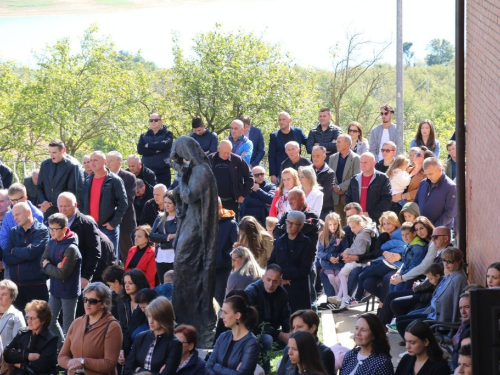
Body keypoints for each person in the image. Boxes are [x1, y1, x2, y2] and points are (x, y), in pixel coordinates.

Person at [394, 248, 468, 338]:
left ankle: (415, 344)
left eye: (450, 261)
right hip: (432, 314)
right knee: (400, 320)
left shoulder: (458, 278)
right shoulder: (450, 274)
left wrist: (452, 330)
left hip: (439, 322)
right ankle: (413, 343)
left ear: (458, 262)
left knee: (401, 324)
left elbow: (457, 304)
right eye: (444, 260)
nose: (446, 264)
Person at [58, 282, 123, 375]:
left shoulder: (113, 326)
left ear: (103, 304)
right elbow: (62, 356)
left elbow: (109, 364)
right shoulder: (76, 323)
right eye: (85, 299)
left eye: (92, 301)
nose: (87, 304)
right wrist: (70, 363)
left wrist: (82, 361)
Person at [41, 213, 82, 348]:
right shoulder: (51, 242)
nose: (52, 232)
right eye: (50, 228)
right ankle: (62, 347)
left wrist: (48, 265)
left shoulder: (71, 248)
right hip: (55, 289)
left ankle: (71, 351)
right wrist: (52, 266)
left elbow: (62, 273)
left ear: (64, 229)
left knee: (68, 324)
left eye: (55, 229)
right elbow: (42, 262)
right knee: (49, 320)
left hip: (68, 291)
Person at [2, 202, 49, 310]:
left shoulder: (41, 230)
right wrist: (25, 253)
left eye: (17, 215)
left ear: (28, 212)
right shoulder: (14, 231)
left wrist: (14, 250)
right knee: (20, 324)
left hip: (36, 285)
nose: (15, 218)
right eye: (14, 215)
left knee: (39, 321)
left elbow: (31, 253)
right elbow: (6, 256)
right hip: (16, 287)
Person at [245, 264, 291, 373]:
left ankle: (289, 368)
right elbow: (255, 323)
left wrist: (291, 332)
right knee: (266, 339)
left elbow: (286, 316)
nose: (271, 284)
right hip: (253, 333)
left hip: (273, 331)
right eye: (268, 280)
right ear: (263, 277)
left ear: (280, 281)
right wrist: (280, 334)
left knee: (297, 337)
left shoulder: (282, 293)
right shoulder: (252, 291)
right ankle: (265, 370)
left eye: (275, 281)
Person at [81, 150, 128, 253]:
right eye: (90, 160)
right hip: (90, 228)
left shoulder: (115, 180)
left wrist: (113, 223)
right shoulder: (87, 181)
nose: (92, 163)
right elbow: (81, 203)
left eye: (95, 160)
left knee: (110, 261)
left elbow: (123, 203)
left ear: (104, 162)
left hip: (108, 228)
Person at [353, 211, 404, 304]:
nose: (386, 226)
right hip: (382, 262)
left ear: (395, 223)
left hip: (397, 265)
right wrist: (384, 253)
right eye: (384, 224)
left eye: (389, 223)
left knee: (387, 278)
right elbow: (375, 251)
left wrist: (399, 256)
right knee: (367, 283)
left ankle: (383, 306)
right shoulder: (383, 236)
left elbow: (407, 249)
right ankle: (388, 301)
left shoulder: (402, 234)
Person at [269, 210, 315, 312]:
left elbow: (305, 268)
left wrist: (283, 275)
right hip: (279, 286)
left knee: (299, 317)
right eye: (288, 222)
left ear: (301, 226)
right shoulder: (280, 241)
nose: (289, 226)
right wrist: (278, 278)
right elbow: (271, 262)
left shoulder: (306, 243)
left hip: (297, 288)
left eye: (293, 224)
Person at [328, 215, 376, 309]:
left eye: (353, 227)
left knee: (342, 275)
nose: (352, 229)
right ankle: (340, 297)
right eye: (351, 227)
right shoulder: (361, 233)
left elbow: (361, 250)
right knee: (343, 275)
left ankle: (345, 296)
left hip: (360, 262)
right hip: (357, 261)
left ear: (360, 224)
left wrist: (348, 252)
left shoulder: (362, 235)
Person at [124, 297, 182, 375]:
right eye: (149, 316)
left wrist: (139, 370)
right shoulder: (140, 337)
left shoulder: (175, 344)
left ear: (165, 317)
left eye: (155, 318)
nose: (151, 321)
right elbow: (127, 369)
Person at [57, 192, 101, 291]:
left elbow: (94, 252)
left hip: (79, 276)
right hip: (59, 276)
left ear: (75, 205)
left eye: (67, 206)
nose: (63, 209)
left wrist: (86, 276)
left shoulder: (87, 224)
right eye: (60, 206)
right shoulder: (54, 221)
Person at [206, 295, 260, 375]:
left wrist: (216, 367)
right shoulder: (223, 337)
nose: (221, 316)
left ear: (238, 315)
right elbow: (208, 367)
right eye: (222, 312)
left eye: (225, 312)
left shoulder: (251, 343)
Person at [4, 300, 58, 375]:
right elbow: (7, 354)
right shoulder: (22, 332)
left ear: (43, 320)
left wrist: (19, 364)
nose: (28, 321)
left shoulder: (51, 339)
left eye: (32, 318)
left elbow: (41, 365)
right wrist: (27, 356)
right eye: (27, 318)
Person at [37, 139, 84, 220]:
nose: (51, 155)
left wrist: (52, 204)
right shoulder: (45, 165)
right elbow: (39, 186)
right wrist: (44, 201)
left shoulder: (72, 166)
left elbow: (72, 192)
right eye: (50, 152)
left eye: (54, 152)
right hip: (47, 210)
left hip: (64, 211)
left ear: (63, 150)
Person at [277, 310, 335, 375]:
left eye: (300, 327)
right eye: (293, 327)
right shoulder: (289, 348)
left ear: (312, 328)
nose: (295, 331)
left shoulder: (324, 353)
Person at [208, 140, 254, 216]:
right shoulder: (210, 159)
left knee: (230, 225)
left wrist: (243, 195)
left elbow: (250, 178)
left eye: (228, 152)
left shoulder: (237, 160)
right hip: (213, 201)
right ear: (218, 149)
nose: (226, 155)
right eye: (224, 152)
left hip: (231, 201)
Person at [106, 151, 137, 262]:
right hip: (106, 223)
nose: (107, 164)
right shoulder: (104, 177)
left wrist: (113, 217)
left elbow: (128, 201)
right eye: (107, 160)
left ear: (119, 163)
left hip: (125, 222)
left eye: (111, 161)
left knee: (128, 254)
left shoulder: (129, 178)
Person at [345, 152, 392, 223]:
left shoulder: (382, 178)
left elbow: (386, 200)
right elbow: (348, 198)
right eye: (361, 162)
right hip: (357, 220)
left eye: (365, 162)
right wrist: (353, 213)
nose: (362, 165)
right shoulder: (354, 179)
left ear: (374, 163)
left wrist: (370, 213)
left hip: (376, 220)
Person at [117, 269, 151, 363]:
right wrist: (121, 348)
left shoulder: (149, 299)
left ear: (138, 283)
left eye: (130, 283)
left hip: (142, 343)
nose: (126, 286)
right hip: (126, 343)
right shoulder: (122, 301)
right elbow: (122, 327)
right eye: (125, 283)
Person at [0, 184, 44, 257]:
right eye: (12, 201)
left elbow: (35, 242)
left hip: (29, 260)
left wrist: (17, 251)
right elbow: (3, 239)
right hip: (11, 259)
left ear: (25, 198)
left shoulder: (37, 215)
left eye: (16, 200)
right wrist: (12, 251)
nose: (14, 204)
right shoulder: (8, 215)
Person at [414, 157, 457, 228]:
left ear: (439, 170)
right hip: (421, 230)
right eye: (426, 174)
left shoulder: (450, 187)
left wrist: (433, 228)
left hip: (440, 233)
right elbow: (416, 203)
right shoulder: (423, 183)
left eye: (430, 174)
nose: (428, 177)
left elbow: (450, 213)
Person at [268, 112, 308, 185]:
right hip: (282, 170)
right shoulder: (274, 136)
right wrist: (273, 174)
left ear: (290, 120)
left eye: (284, 119)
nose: (281, 122)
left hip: (298, 168)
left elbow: (308, 143)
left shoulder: (297, 131)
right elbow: (271, 156)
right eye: (280, 120)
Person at [329, 134, 360, 224]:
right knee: (338, 223)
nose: (336, 144)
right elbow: (330, 175)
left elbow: (356, 176)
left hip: (348, 195)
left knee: (350, 222)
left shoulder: (356, 158)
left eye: (339, 142)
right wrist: (335, 187)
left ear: (347, 144)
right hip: (335, 196)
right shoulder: (332, 158)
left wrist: (341, 188)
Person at [317, 212, 349, 299]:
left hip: (338, 262)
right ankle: (336, 294)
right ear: (327, 225)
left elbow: (345, 249)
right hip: (327, 263)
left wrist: (338, 256)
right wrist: (329, 257)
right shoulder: (323, 236)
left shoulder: (342, 235)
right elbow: (320, 252)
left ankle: (340, 295)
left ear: (338, 223)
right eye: (330, 224)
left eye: (335, 224)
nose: (333, 227)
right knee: (331, 277)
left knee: (338, 279)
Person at [137, 113, 174, 187]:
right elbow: (140, 150)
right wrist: (155, 151)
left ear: (161, 121)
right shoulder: (144, 136)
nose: (153, 122)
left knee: (163, 195)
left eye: (156, 120)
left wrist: (149, 145)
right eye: (151, 120)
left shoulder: (168, 134)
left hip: (163, 172)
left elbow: (165, 145)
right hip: (147, 173)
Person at [215, 198, 239, 306]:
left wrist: (223, 256)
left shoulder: (231, 224)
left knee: (219, 298)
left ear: (220, 207)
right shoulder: (206, 222)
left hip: (223, 268)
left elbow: (235, 246)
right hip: (208, 267)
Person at [150, 190, 177, 281]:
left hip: (174, 257)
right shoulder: (160, 217)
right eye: (165, 202)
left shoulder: (180, 219)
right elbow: (152, 236)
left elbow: (178, 240)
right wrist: (170, 236)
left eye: (170, 203)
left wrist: (161, 243)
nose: (167, 205)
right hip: (161, 257)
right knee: (163, 282)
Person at [0, 280, 26, 352]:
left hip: (6, 359)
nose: (0, 297)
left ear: (12, 298)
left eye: (4, 294)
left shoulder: (17, 316)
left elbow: (19, 344)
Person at [311, 146, 336, 219]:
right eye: (313, 156)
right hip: (308, 208)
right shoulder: (307, 171)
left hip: (324, 210)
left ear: (324, 157)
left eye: (318, 156)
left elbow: (326, 193)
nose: (315, 158)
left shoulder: (330, 173)